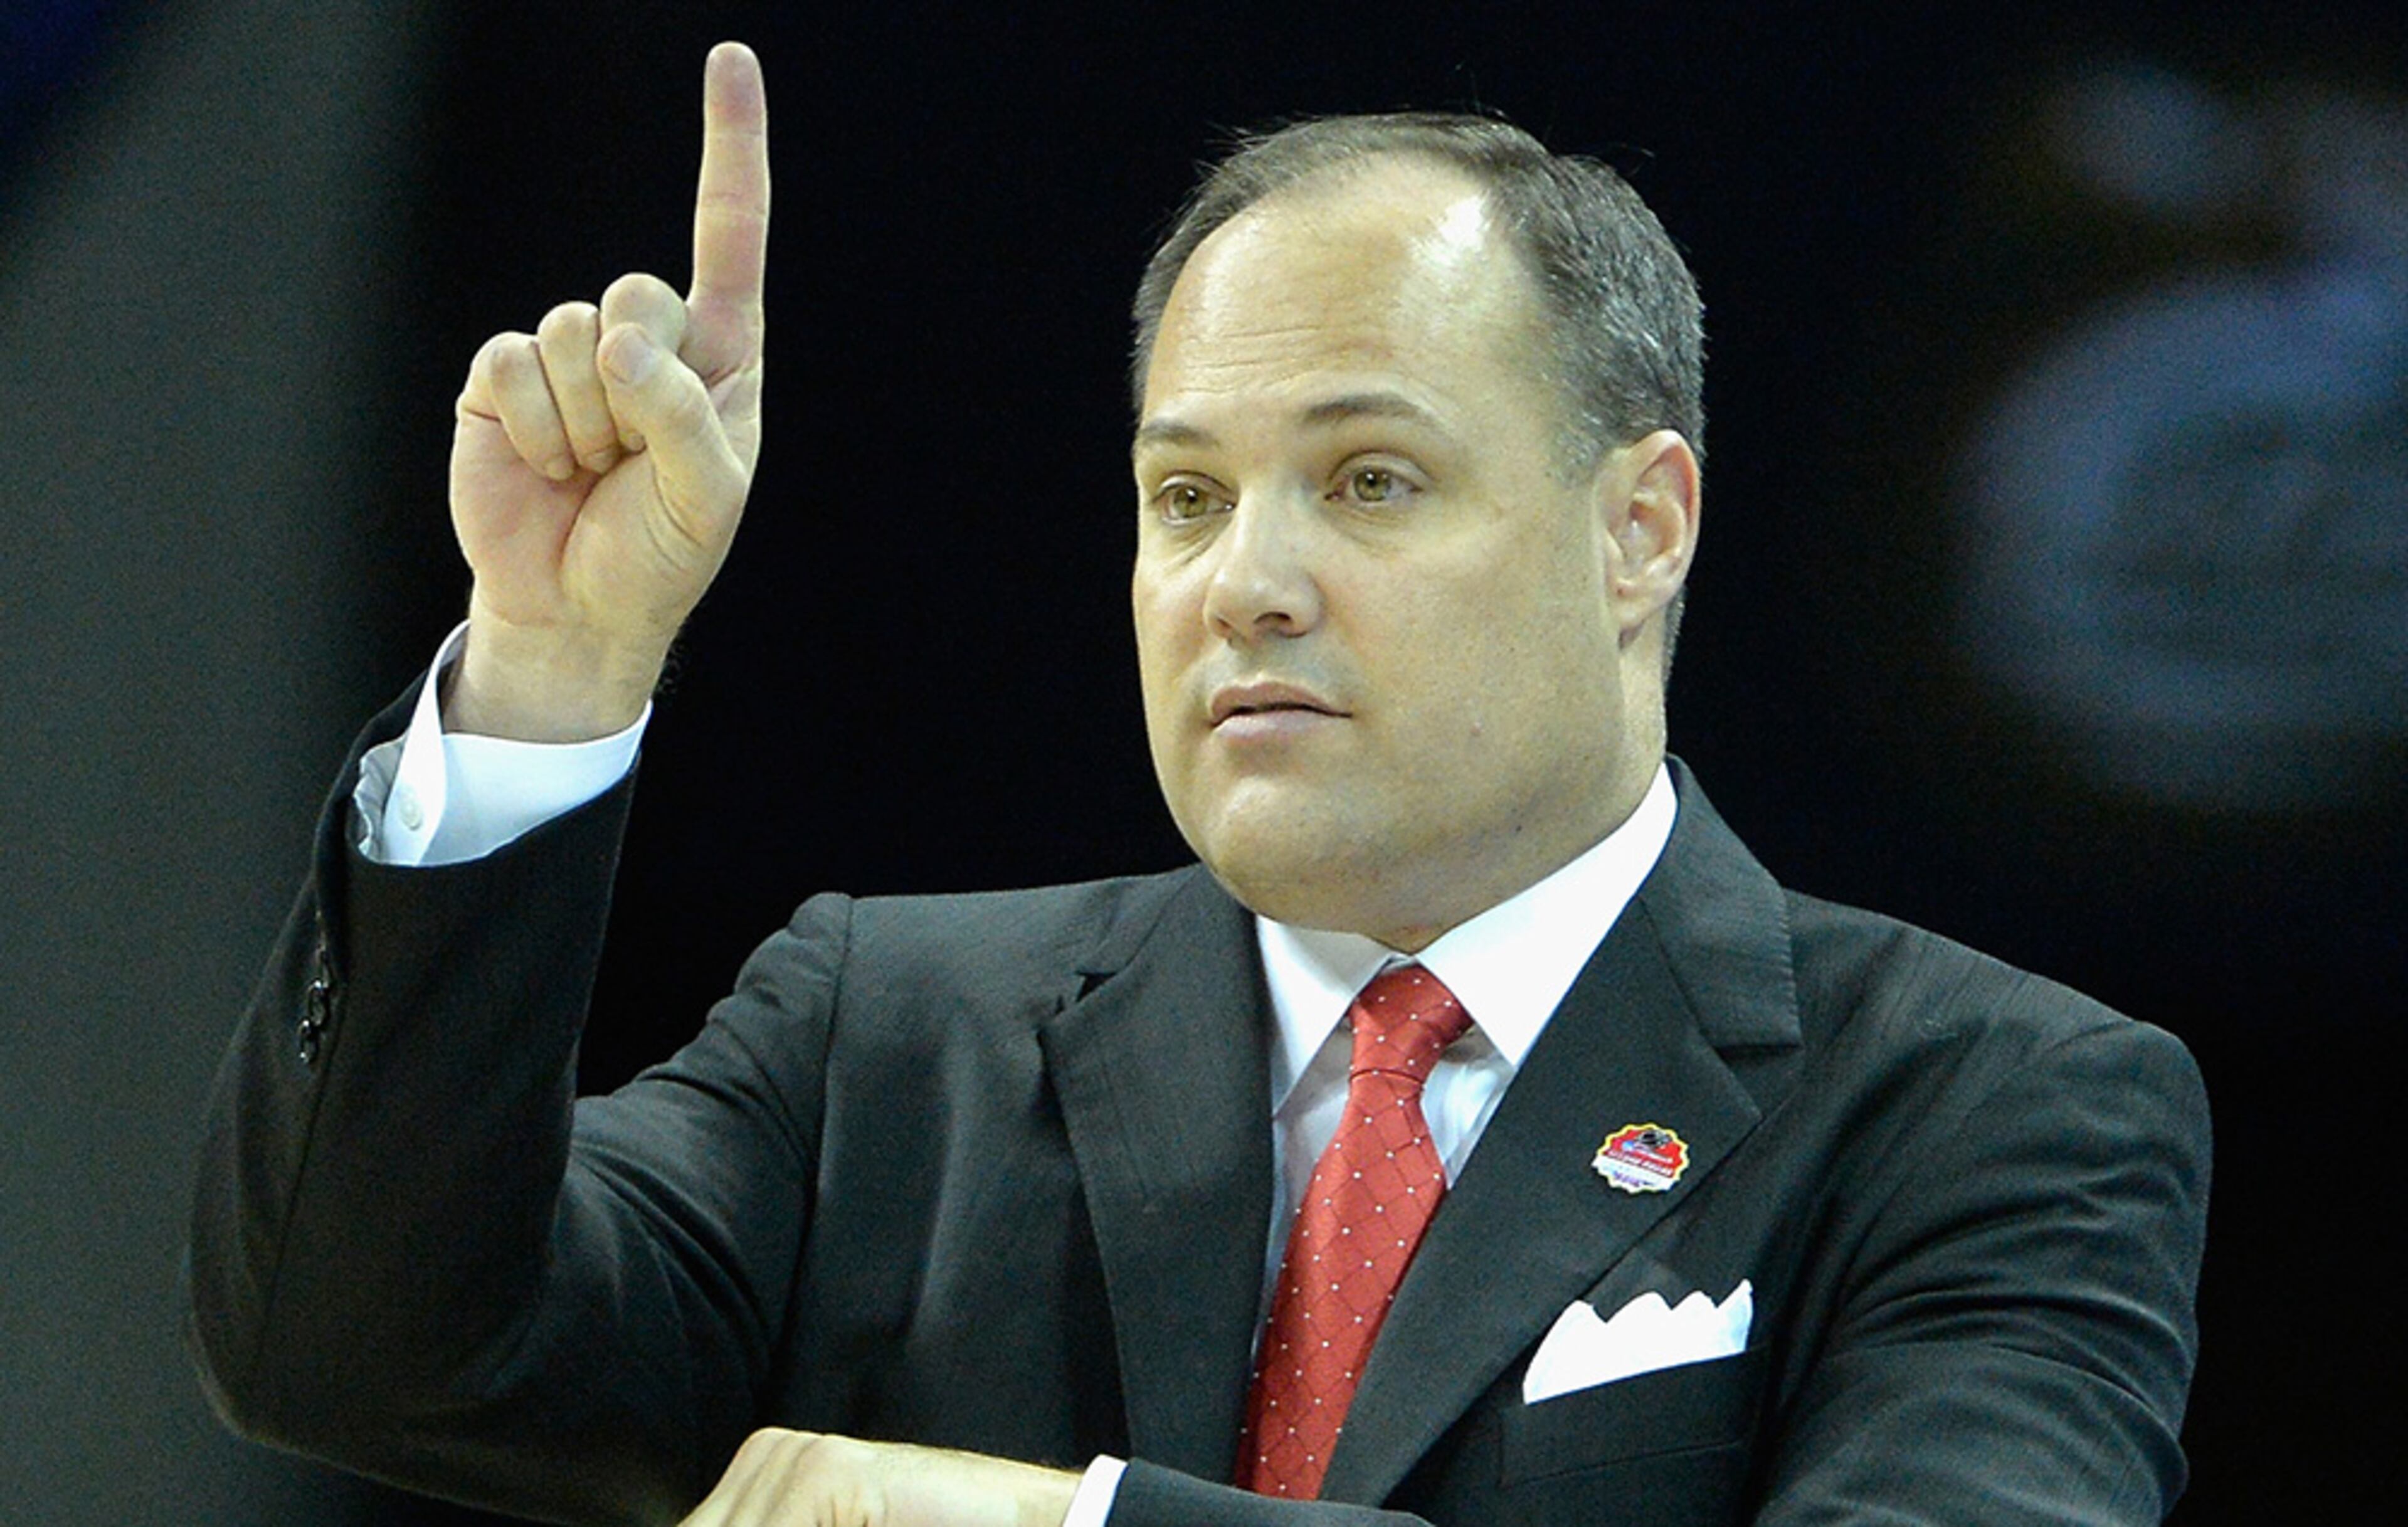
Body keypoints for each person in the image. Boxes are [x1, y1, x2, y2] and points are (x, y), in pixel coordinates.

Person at [187, 41, 2210, 1527]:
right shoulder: (891, 1035)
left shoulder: (1991, 1108)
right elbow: (357, 1346)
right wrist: (552, 671)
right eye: (1184, 494)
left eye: (1370, 480)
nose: (1244, 583)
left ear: (1643, 526)